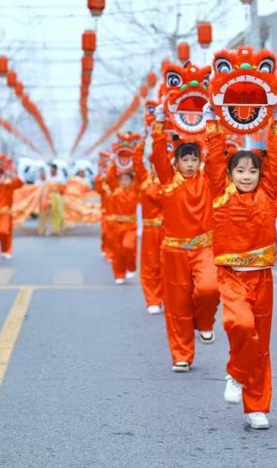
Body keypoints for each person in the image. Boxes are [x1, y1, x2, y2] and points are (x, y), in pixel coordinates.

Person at [205, 104, 277, 430]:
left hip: (262, 276)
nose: (246, 176)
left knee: (261, 343)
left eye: (252, 170)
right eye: (239, 170)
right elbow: (213, 156)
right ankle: (237, 373)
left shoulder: (268, 192)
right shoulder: (220, 192)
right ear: (229, 174)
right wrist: (212, 120)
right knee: (240, 325)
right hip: (230, 275)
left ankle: (257, 407)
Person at [150, 105, 219, 372]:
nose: (190, 165)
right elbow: (157, 155)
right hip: (174, 252)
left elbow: (216, 154)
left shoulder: (208, 180)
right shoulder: (168, 181)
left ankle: (204, 324)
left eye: (193, 160)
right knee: (177, 305)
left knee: (209, 289)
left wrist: (211, 120)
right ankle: (182, 354)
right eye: (185, 160)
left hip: (204, 249)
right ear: (176, 162)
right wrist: (159, 123)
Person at [134, 139, 164, 313]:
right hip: (150, 230)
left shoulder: (172, 182)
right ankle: (152, 299)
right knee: (150, 265)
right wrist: (143, 138)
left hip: (169, 231)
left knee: (168, 266)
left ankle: (168, 297)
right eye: (155, 164)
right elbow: (136, 161)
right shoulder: (145, 180)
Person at [103, 167, 139, 285]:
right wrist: (114, 161)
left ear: (131, 181)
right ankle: (119, 274)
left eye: (127, 179)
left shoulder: (135, 192)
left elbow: (140, 175)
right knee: (118, 251)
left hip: (131, 225)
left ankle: (131, 267)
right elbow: (110, 177)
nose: (124, 182)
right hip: (117, 225)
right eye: (122, 179)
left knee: (128, 246)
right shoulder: (115, 191)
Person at [0, 165, 24, 262]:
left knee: (3, 231)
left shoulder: (7, 184)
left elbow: (20, 184)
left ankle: (6, 250)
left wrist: (13, 175)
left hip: (5, 214)